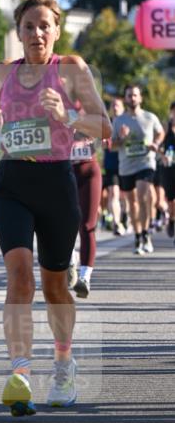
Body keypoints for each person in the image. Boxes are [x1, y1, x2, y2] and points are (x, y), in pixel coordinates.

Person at [0, 0, 111, 417]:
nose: (36, 33)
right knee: (19, 277)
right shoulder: (4, 72)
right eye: (28, 26)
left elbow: (103, 126)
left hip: (57, 182)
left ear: (57, 30)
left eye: (44, 26)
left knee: (55, 286)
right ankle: (19, 374)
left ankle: (63, 364)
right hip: (13, 182)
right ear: (17, 32)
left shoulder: (70, 69)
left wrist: (69, 117)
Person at [111, 84, 164, 256]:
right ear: (125, 98)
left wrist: (156, 143)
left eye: (135, 95)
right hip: (126, 166)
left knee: (143, 196)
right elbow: (112, 146)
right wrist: (122, 138)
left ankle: (147, 234)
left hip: (145, 163)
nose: (132, 98)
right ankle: (138, 235)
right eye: (129, 95)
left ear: (140, 98)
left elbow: (160, 132)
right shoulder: (118, 121)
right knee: (131, 204)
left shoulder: (150, 117)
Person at [68, 123, 102, 299]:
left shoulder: (91, 109)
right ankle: (70, 261)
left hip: (89, 171)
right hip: (63, 173)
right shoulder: (51, 106)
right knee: (65, 224)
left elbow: (105, 134)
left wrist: (95, 137)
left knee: (87, 225)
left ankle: (85, 277)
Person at [100, 96, 126, 235]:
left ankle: (126, 217)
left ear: (123, 108)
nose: (115, 108)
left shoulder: (127, 123)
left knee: (126, 196)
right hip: (111, 164)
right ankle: (116, 223)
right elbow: (103, 145)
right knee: (113, 193)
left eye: (118, 105)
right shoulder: (106, 125)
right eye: (113, 106)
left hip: (128, 165)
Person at [160, 101, 175, 242]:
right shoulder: (166, 127)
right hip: (168, 168)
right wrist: (162, 155)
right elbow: (158, 144)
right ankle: (172, 219)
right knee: (171, 201)